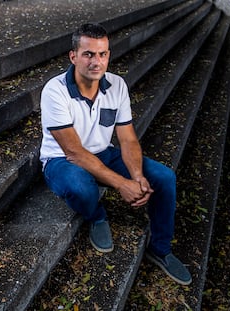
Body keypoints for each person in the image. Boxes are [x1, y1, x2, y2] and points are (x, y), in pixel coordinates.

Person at [39, 23, 191, 285]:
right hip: (61, 160)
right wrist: (123, 184)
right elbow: (74, 152)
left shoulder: (117, 85)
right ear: (73, 56)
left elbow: (127, 137)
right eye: (88, 54)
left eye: (102, 54)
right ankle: (97, 216)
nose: (96, 62)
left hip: (104, 154)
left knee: (163, 177)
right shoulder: (55, 91)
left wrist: (137, 176)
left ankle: (160, 249)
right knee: (80, 187)